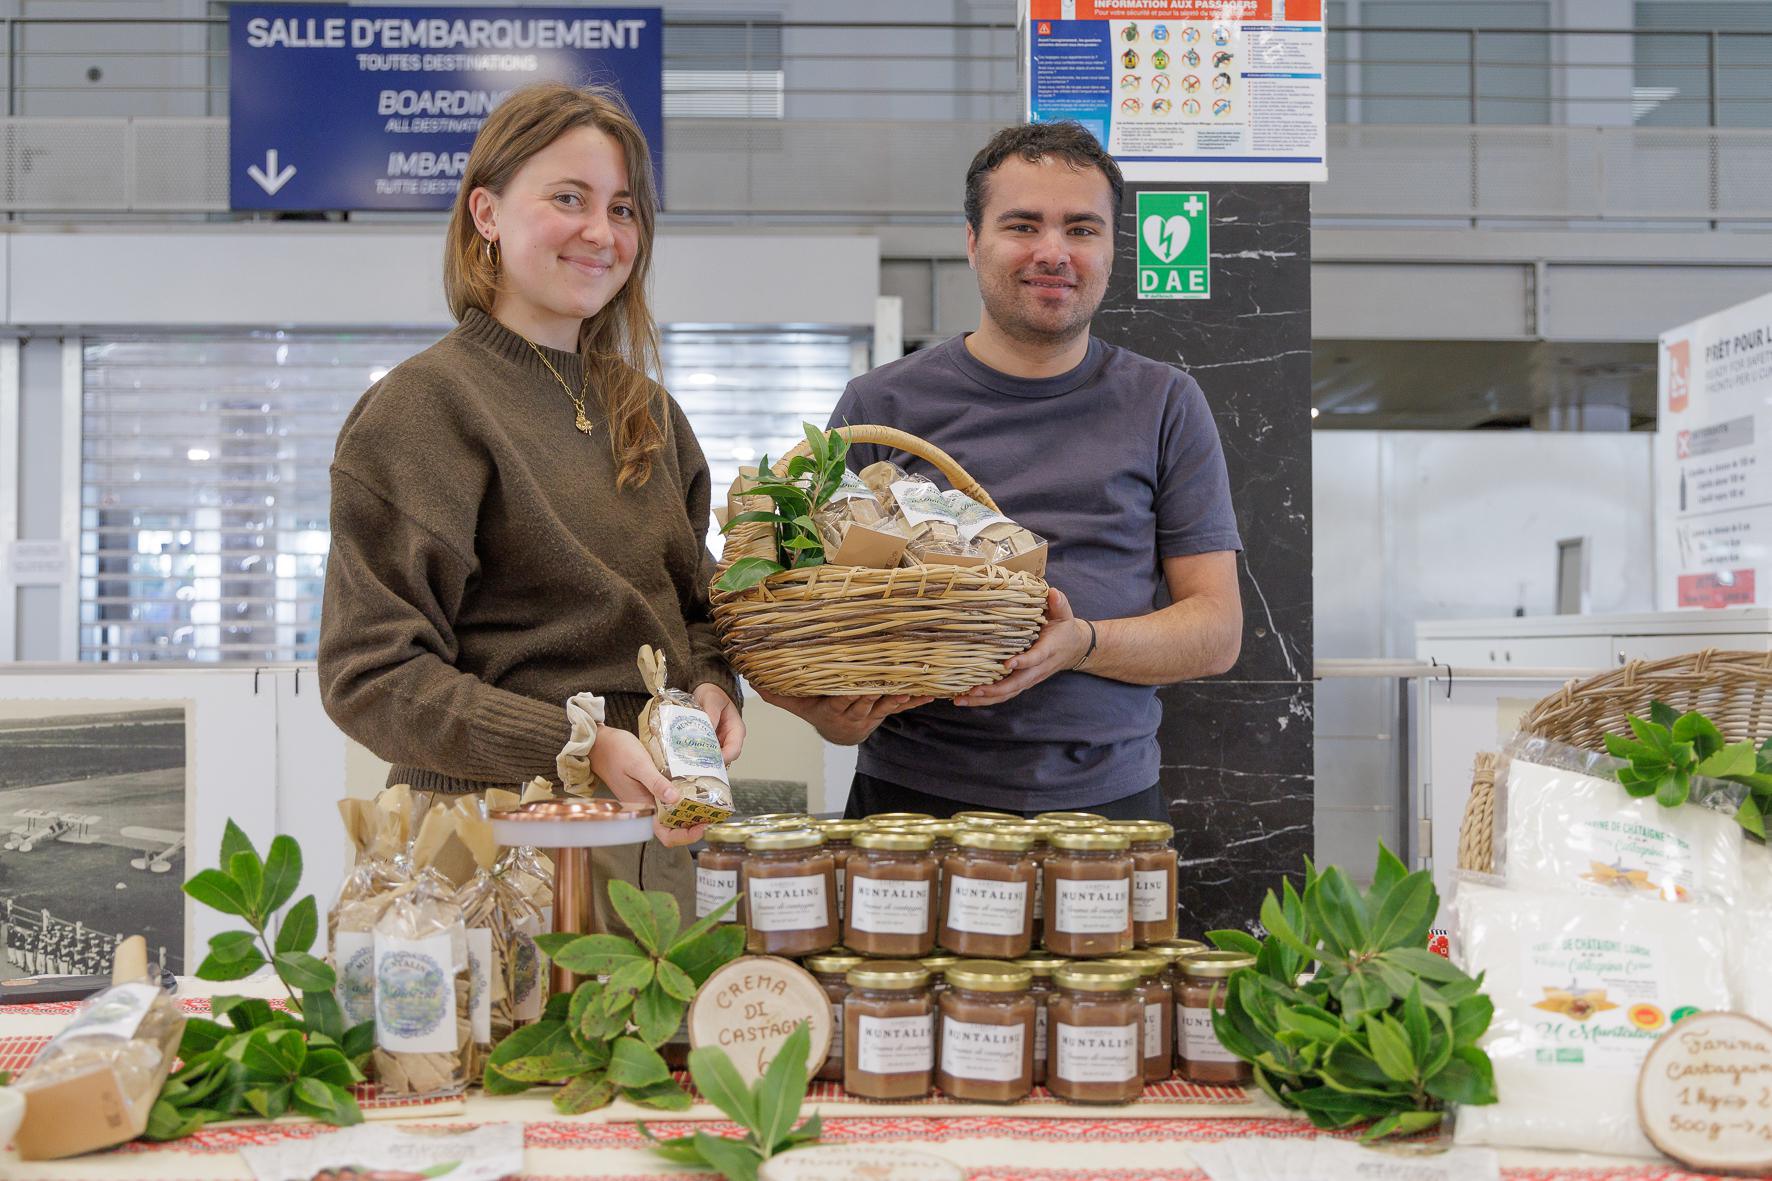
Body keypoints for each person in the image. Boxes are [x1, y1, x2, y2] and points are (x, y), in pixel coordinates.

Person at [318, 82, 743, 924]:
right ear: (486, 213)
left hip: (658, 834)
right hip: (490, 845)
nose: (602, 233)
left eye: (622, 208)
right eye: (569, 199)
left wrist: (713, 678)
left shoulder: (649, 412)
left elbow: (695, 601)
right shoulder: (424, 408)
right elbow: (370, 676)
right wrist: (573, 742)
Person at [760, 121, 1243, 822]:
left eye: (1082, 229)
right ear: (972, 241)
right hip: (911, 804)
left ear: (1112, 248)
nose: (1053, 252)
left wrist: (1081, 645)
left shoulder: (1166, 403)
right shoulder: (881, 406)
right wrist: (830, 714)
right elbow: (809, 605)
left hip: (1107, 807)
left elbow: (1217, 630)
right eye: (1022, 225)